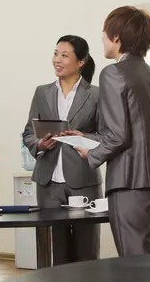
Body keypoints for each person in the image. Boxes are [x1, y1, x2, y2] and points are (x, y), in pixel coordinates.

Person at [75, 6, 150, 257]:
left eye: (104, 32)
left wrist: (92, 154)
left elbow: (118, 136)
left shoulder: (112, 73)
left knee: (134, 266)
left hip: (129, 186)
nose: (102, 38)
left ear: (116, 37)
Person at [23, 35, 103, 265]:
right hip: (48, 184)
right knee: (55, 253)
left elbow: (107, 135)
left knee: (86, 252)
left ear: (81, 62)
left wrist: (83, 137)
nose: (57, 60)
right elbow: (29, 131)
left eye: (64, 55)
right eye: (55, 54)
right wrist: (38, 144)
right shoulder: (42, 92)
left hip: (84, 180)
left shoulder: (96, 94)